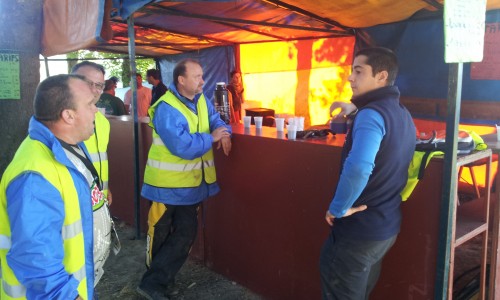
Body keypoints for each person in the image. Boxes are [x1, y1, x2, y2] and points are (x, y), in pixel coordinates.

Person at [319, 47, 416, 300]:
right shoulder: (402, 114)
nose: (350, 77)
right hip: (385, 227)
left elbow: (360, 167)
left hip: (358, 232)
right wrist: (353, 111)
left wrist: (338, 207)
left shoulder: (371, 115)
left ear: (381, 77)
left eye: (359, 71)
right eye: (352, 71)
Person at [137, 58, 232, 300]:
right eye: (197, 76)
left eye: (202, 76)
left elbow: (216, 120)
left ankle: (157, 282)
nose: (203, 80)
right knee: (159, 236)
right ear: (181, 80)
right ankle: (152, 284)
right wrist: (211, 138)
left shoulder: (201, 100)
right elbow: (182, 146)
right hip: (165, 186)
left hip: (191, 186)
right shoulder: (166, 108)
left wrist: (225, 133)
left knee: (185, 236)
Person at [0, 74, 96, 299]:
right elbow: (36, 260)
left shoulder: (68, 146)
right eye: (91, 104)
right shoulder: (34, 177)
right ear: (68, 115)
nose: (97, 110)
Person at [71, 61, 116, 287]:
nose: (96, 90)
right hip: (74, 205)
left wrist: (104, 189)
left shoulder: (101, 121)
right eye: (89, 83)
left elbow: (100, 160)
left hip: (96, 198)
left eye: (100, 85)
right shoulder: (65, 118)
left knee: (95, 258)